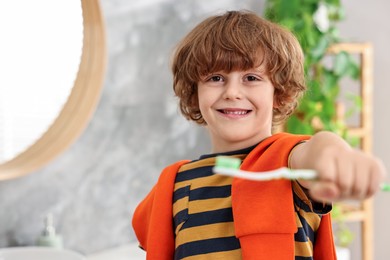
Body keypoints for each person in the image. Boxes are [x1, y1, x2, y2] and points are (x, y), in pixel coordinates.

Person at [132, 10, 386, 260]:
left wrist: (334, 156)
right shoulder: (176, 183)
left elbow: (314, 151)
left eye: (251, 78)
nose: (232, 92)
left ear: (279, 93)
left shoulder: (287, 161)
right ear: (194, 93)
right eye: (216, 78)